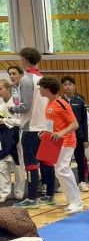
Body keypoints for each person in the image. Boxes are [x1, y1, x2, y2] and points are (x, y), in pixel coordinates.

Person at [8, 48, 52, 209]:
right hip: (45, 127)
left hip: (31, 127)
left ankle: (32, 198)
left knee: (31, 164)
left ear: (25, 59)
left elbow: (25, 106)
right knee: (47, 162)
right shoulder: (43, 78)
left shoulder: (27, 80)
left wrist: (12, 109)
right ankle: (49, 195)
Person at [38, 76, 83, 213]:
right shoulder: (49, 104)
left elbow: (74, 124)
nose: (39, 90)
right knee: (59, 170)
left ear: (47, 89)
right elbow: (52, 123)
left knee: (63, 169)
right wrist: (45, 133)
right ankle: (73, 200)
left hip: (67, 141)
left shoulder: (61, 103)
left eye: (41, 87)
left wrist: (61, 133)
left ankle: (77, 202)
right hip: (55, 142)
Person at [61, 76, 89, 192]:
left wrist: (85, 139)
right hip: (64, 136)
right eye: (65, 84)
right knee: (64, 161)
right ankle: (65, 184)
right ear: (62, 87)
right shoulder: (59, 101)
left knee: (80, 159)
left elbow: (84, 122)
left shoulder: (79, 101)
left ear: (74, 86)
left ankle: (82, 181)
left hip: (78, 136)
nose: (68, 86)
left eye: (70, 84)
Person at [0, 80, 24, 202]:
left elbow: (21, 121)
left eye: (0, 89)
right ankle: (4, 192)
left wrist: (5, 121)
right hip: (2, 137)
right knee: (2, 165)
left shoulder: (16, 102)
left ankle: (19, 191)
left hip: (15, 137)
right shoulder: (0, 103)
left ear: (8, 89)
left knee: (17, 164)